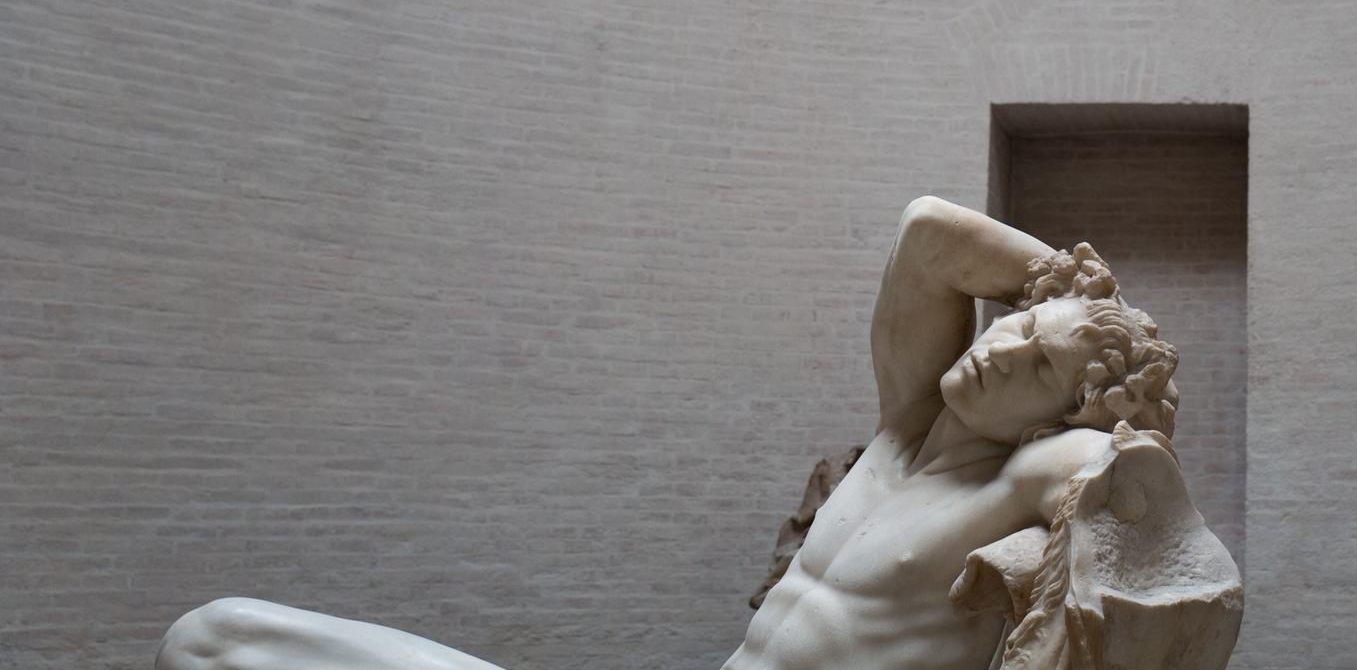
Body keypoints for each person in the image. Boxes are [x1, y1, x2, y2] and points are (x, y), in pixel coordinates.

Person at [155, 198, 1213, 670]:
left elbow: (1135, 495)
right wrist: (1071, 292)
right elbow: (929, 231)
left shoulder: (1031, 483)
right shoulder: (899, 434)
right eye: (1017, 325)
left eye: (1033, 366)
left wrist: (1113, 386)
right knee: (214, 637)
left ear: (1062, 416)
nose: (1000, 348)